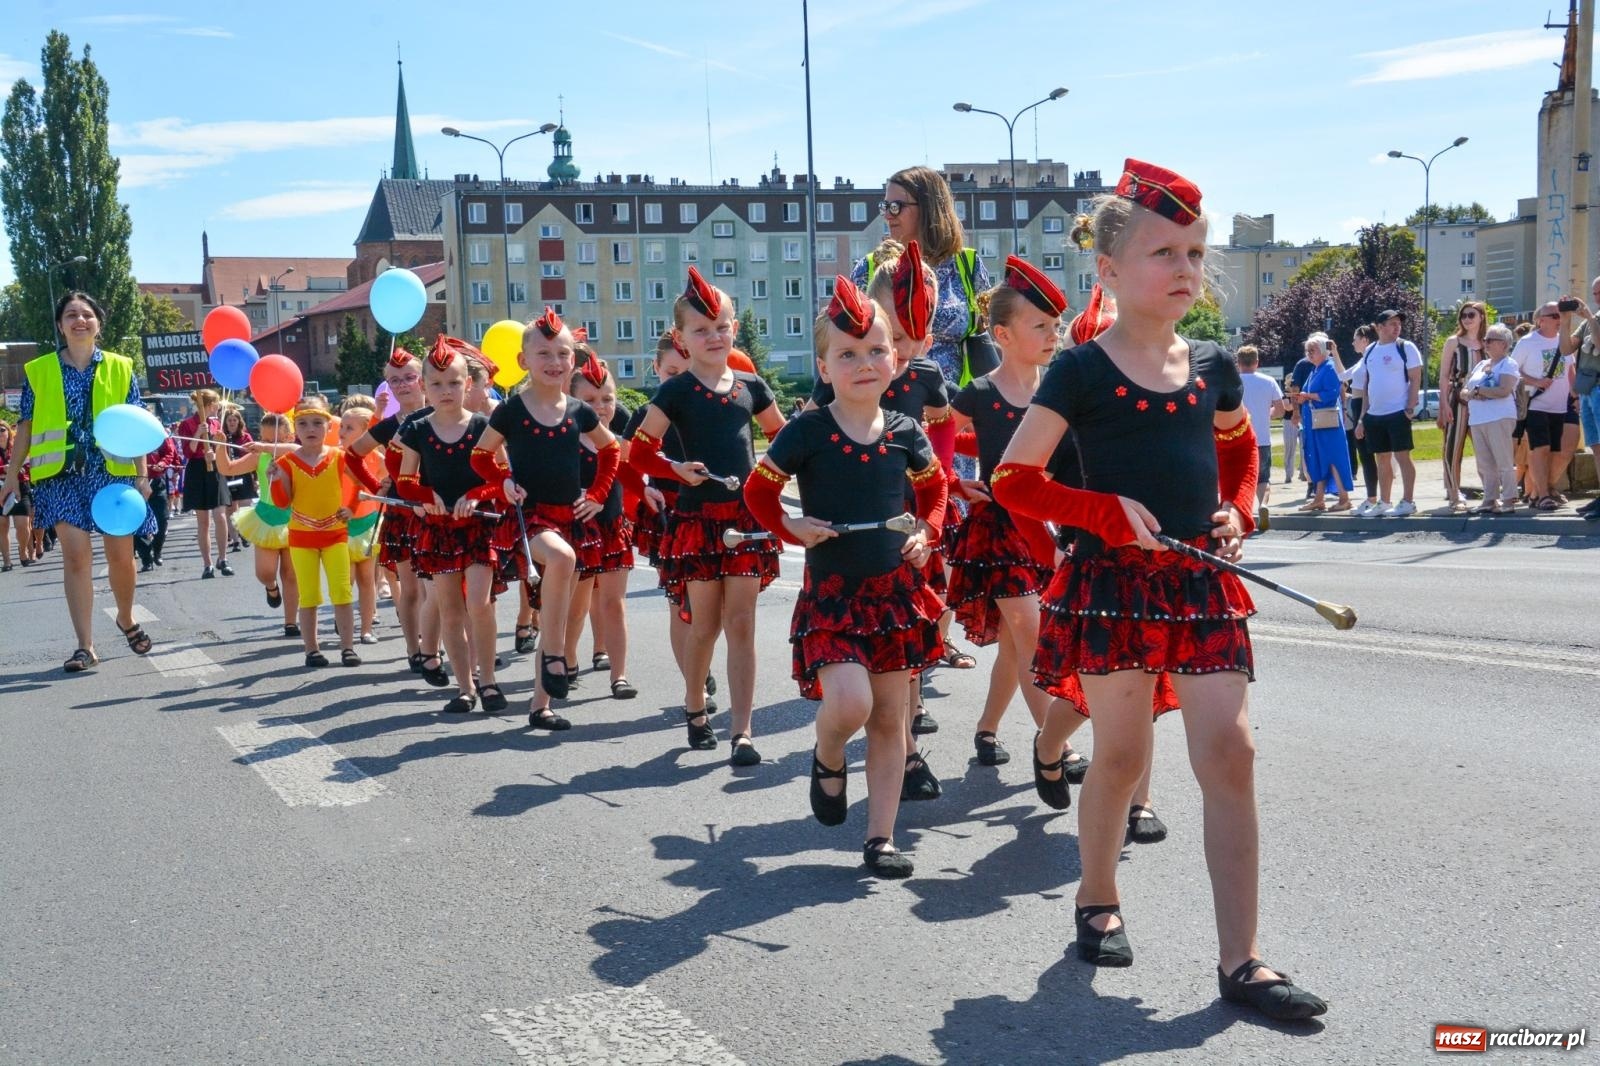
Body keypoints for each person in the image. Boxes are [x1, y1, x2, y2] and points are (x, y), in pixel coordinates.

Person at [992, 159, 1326, 1020]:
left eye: (1196, 253)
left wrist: (1238, 510)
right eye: (1164, 253)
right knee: (1122, 756)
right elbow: (1014, 481)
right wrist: (1100, 512)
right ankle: (1096, 897)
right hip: (1112, 587)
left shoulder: (1212, 363)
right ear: (1108, 270)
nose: (1186, 269)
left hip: (1201, 581)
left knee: (1232, 754)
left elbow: (1239, 449)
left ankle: (1242, 960)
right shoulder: (1079, 371)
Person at [743, 275, 948, 877]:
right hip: (833, 598)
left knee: (890, 718)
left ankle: (881, 838)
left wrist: (926, 533)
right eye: (848, 354)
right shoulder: (807, 430)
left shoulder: (906, 431)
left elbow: (935, 489)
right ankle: (828, 751)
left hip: (894, 595)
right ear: (824, 367)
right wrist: (791, 527)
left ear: (897, 359)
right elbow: (759, 492)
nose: (864, 363)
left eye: (877, 350)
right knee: (852, 702)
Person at [629, 269, 787, 764]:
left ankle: (742, 730)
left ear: (734, 328)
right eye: (701, 330)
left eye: (721, 326)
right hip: (696, 520)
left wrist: (774, 472)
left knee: (742, 624)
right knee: (705, 625)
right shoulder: (675, 392)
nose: (714, 336)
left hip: (746, 520)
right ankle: (695, 706)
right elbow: (640, 453)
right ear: (681, 339)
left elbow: (784, 439)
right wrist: (674, 469)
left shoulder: (752, 386)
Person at [946, 257, 1067, 769]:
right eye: (1040, 326)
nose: (1052, 335)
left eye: (1055, 326)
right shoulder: (979, 393)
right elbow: (929, 447)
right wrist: (954, 483)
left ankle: (987, 729)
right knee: (1029, 631)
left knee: (1016, 647)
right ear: (1002, 334)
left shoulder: (1060, 390)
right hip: (999, 530)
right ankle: (1054, 743)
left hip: (1052, 529)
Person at [474, 308, 618, 730]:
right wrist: (503, 482)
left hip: (571, 518)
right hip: (531, 518)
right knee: (561, 559)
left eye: (562, 354)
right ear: (524, 361)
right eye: (543, 354)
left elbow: (610, 450)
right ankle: (556, 652)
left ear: (573, 360)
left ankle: (541, 705)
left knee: (561, 612)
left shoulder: (579, 410)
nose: (554, 362)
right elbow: (480, 456)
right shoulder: (511, 411)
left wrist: (597, 495)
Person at [1, 291, 157, 671]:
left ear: (98, 324)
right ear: (60, 325)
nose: (79, 320)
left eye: (87, 314)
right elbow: (26, 426)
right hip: (61, 477)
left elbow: (135, 423)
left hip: (112, 474)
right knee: (75, 556)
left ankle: (125, 617)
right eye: (71, 315)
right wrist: (11, 476)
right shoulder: (39, 371)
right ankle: (85, 646)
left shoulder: (121, 367)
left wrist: (142, 474)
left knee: (121, 557)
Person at [397, 342, 513, 713]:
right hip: (439, 530)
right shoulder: (417, 429)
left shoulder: (482, 426)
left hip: (477, 528)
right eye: (436, 384)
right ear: (424, 387)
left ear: (469, 384)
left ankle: (488, 681)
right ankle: (465, 687)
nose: (445, 391)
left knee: (479, 603)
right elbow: (405, 482)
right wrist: (426, 496)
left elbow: (502, 477)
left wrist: (477, 495)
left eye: (454, 382)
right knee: (449, 610)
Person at [266, 394, 380, 668]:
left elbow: (359, 484)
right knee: (309, 595)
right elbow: (283, 503)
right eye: (303, 424)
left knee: (342, 592)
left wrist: (351, 508)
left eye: (318, 423)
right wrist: (276, 480)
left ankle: (348, 648)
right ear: (295, 429)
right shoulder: (286, 462)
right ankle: (312, 650)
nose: (311, 429)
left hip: (335, 535)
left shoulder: (339, 457)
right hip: (302, 538)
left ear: (329, 427)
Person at [349, 350, 438, 677]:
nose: (402, 385)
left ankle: (440, 646)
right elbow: (352, 456)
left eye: (409, 377)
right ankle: (415, 650)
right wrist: (378, 487)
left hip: (438, 511)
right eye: (394, 380)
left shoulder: (443, 416)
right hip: (404, 513)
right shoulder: (388, 426)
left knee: (440, 588)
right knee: (412, 589)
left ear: (423, 380)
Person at [568, 354, 637, 699]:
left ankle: (619, 675)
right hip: (577, 531)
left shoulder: (620, 438)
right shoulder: (565, 439)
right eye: (590, 400)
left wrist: (649, 491)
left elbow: (635, 475)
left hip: (612, 527)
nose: (600, 407)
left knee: (614, 603)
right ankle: (566, 662)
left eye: (607, 399)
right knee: (576, 605)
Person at [225, 412, 299, 635]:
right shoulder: (260, 456)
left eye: (274, 440)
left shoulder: (298, 454)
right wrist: (219, 447)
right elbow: (228, 468)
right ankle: (271, 586)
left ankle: (291, 622)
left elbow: (296, 449)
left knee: (292, 575)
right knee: (264, 572)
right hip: (266, 517)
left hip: (295, 519)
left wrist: (264, 446)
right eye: (264, 439)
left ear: (288, 436)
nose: (267, 444)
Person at [1352, 310, 1422, 517]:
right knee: (1382, 458)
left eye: (1398, 323)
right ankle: (1384, 502)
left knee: (1402, 456)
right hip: (1375, 414)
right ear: (1379, 327)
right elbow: (1367, 385)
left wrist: (1409, 408)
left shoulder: (1406, 347)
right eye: (1392, 323)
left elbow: (1415, 378)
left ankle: (1408, 501)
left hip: (1398, 412)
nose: (1397, 327)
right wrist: (1362, 418)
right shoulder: (1370, 350)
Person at [1512, 301, 1576, 511]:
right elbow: (1512, 370)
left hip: (1559, 406)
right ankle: (1543, 496)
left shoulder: (1563, 340)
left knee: (1555, 451)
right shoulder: (1527, 342)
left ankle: (1537, 493)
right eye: (1555, 315)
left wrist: (1576, 396)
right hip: (1535, 404)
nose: (1560, 319)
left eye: (1561, 315)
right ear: (1541, 321)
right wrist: (1536, 381)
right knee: (1540, 448)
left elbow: (1570, 369)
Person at [1462, 324, 1522, 514]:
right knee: (1485, 463)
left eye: (1490, 340)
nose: (1485, 343)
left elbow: (1503, 390)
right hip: (1478, 419)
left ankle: (1509, 499)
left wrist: (1479, 391)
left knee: (1503, 460)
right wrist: (1473, 393)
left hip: (1500, 417)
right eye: (1485, 340)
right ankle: (1489, 499)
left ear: (1504, 344)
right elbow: (1465, 390)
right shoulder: (1481, 365)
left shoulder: (1509, 364)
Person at [338, 396, 384, 644]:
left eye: (349, 428)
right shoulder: (334, 456)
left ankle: (366, 628)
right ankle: (344, 620)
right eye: (342, 426)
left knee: (367, 580)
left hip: (367, 523)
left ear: (365, 433)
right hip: (341, 525)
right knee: (345, 580)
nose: (342, 432)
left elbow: (393, 476)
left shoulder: (375, 458)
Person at [176, 388, 233, 576]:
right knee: (203, 521)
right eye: (216, 402)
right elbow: (188, 452)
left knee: (220, 516)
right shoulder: (187, 424)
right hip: (197, 470)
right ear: (210, 404)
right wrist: (198, 434)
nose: (218, 406)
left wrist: (215, 452)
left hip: (215, 469)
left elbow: (223, 449)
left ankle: (223, 558)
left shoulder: (216, 423)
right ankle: (207, 564)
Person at [1295, 334, 1354, 512]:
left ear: (1323, 351)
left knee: (1334, 458)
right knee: (1319, 459)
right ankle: (1318, 498)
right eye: (1307, 350)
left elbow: (1330, 394)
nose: (1309, 354)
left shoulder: (1329, 367)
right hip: (1316, 424)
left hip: (1328, 424)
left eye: (1312, 350)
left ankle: (1344, 498)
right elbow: (1309, 391)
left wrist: (1308, 396)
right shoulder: (1316, 369)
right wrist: (1302, 397)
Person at [1558, 276, 1600, 519]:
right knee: (1596, 447)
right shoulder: (1587, 323)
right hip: (1588, 391)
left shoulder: (1592, 320)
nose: (1596, 298)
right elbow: (1566, 349)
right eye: (1595, 293)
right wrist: (1565, 322)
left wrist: (1591, 318)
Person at [1438, 302, 1486, 511]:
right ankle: (1454, 492)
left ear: (1481, 317)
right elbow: (1444, 376)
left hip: (1483, 400)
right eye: (1463, 315)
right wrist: (1444, 405)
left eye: (1471, 315)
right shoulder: (1454, 342)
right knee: (1453, 447)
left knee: (1485, 449)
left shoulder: (1487, 343)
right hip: (1457, 398)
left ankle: (1491, 493)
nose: (1466, 319)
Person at [1235, 345, 1283, 526]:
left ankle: (1241, 512)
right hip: (1261, 438)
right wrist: (1267, 413)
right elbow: (1280, 410)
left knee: (1238, 478)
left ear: (1238, 363)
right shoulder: (1269, 381)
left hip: (1238, 437)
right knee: (1263, 478)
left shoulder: (1232, 382)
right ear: (1256, 362)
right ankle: (1263, 504)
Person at [1345, 325, 1382, 515]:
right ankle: (1372, 497)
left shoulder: (1371, 357)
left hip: (1364, 406)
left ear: (1365, 340)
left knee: (1369, 455)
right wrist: (1335, 353)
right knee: (1364, 455)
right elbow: (1342, 376)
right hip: (1357, 405)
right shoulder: (1363, 359)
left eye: (1355, 339)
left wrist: (1361, 418)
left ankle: (1374, 498)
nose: (1352, 343)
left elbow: (1369, 388)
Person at [134, 431, 179, 572]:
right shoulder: (132, 433)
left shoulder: (158, 432)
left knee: (162, 519)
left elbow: (169, 452)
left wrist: (162, 463)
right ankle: (146, 558)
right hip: (135, 482)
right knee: (137, 523)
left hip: (157, 482)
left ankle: (157, 550)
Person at [0, 420, 35, 570]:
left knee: (23, 525)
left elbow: (30, 464)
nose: (0, 434)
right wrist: (4, 469)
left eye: (2, 430)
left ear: (8, 432)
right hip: (1, 489)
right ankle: (7, 560)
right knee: (2, 526)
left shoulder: (18, 448)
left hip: (20, 488)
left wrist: (18, 468)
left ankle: (22, 550)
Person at [220, 405, 255, 549]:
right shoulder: (221, 437)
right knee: (230, 509)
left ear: (239, 421)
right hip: (227, 475)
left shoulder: (245, 437)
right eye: (229, 420)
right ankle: (235, 540)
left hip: (243, 474)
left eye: (234, 420)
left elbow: (253, 455)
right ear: (225, 422)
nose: (232, 423)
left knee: (245, 507)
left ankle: (244, 534)